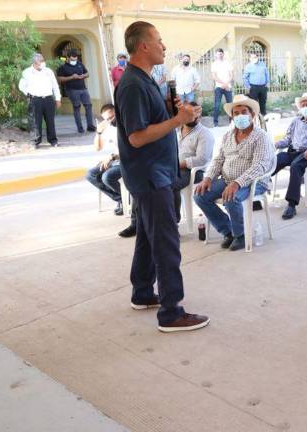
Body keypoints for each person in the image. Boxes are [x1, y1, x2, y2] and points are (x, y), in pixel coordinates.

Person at [115, 21, 208, 332]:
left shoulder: (147, 79)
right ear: (143, 46)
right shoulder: (132, 85)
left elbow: (151, 123)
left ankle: (142, 292)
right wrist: (177, 121)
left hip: (157, 173)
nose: (164, 47)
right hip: (150, 176)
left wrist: (173, 113)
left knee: (147, 235)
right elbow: (137, 137)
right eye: (159, 41)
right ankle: (171, 311)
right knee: (166, 242)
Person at [193, 95, 275, 251]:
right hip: (227, 179)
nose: (240, 116)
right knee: (199, 195)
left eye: (244, 112)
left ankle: (241, 235)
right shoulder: (228, 136)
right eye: (236, 113)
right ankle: (228, 231)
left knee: (231, 197)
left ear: (252, 115)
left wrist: (237, 183)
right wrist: (208, 178)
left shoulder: (260, 137)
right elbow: (218, 159)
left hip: (253, 182)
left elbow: (259, 166)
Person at [272, 93, 307, 220]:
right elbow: (287, 139)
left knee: (295, 167)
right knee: (274, 160)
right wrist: (276, 144)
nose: (305, 107)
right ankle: (259, 188)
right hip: (292, 151)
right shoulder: (295, 121)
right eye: (303, 105)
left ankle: (291, 205)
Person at [174, 101, 214, 220]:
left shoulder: (204, 133)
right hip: (172, 167)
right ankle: (140, 221)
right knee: (149, 180)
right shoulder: (176, 130)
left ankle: (172, 222)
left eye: (197, 113)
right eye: (191, 113)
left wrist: (179, 165)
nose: (195, 116)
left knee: (168, 185)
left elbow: (202, 159)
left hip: (191, 172)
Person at [86, 104, 127, 215]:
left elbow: (127, 148)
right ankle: (121, 200)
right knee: (90, 174)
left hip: (127, 161)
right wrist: (98, 132)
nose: (111, 120)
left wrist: (111, 157)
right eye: (107, 119)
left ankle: (126, 201)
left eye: (112, 117)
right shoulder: (109, 127)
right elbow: (98, 148)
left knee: (107, 177)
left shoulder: (125, 124)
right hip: (115, 160)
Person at [18, 53, 61, 148]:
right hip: (35, 100)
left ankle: (53, 141)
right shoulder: (27, 72)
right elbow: (21, 86)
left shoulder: (48, 71)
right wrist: (28, 94)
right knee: (35, 122)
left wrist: (58, 99)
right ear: (35, 62)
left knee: (50, 121)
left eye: (43, 60)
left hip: (48, 99)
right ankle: (35, 142)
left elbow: (55, 86)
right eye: (41, 61)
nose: (43, 62)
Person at [56, 48, 96, 134]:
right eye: (72, 59)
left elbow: (87, 73)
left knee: (88, 106)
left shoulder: (80, 64)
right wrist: (71, 77)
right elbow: (60, 79)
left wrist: (82, 76)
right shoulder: (63, 67)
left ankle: (90, 126)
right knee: (77, 107)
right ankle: (80, 128)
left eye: (76, 58)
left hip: (83, 89)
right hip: (72, 90)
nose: (75, 60)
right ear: (68, 58)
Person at [211, 48, 234, 127]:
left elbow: (231, 75)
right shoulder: (214, 64)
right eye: (218, 54)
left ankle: (232, 122)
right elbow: (214, 76)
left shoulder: (228, 63)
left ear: (223, 54)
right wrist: (224, 84)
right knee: (217, 105)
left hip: (228, 87)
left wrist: (226, 84)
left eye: (221, 54)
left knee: (230, 105)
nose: (219, 55)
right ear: (215, 55)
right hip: (219, 87)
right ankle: (215, 123)